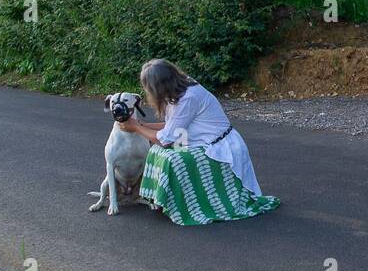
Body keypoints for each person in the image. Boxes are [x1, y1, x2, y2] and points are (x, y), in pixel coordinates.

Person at [117, 58, 279, 225]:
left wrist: (136, 127)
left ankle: (184, 206)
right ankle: (162, 200)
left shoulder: (188, 97)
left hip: (220, 147)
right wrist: (143, 125)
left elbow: (165, 139)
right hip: (204, 142)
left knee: (173, 159)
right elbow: (173, 127)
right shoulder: (179, 90)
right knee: (156, 151)